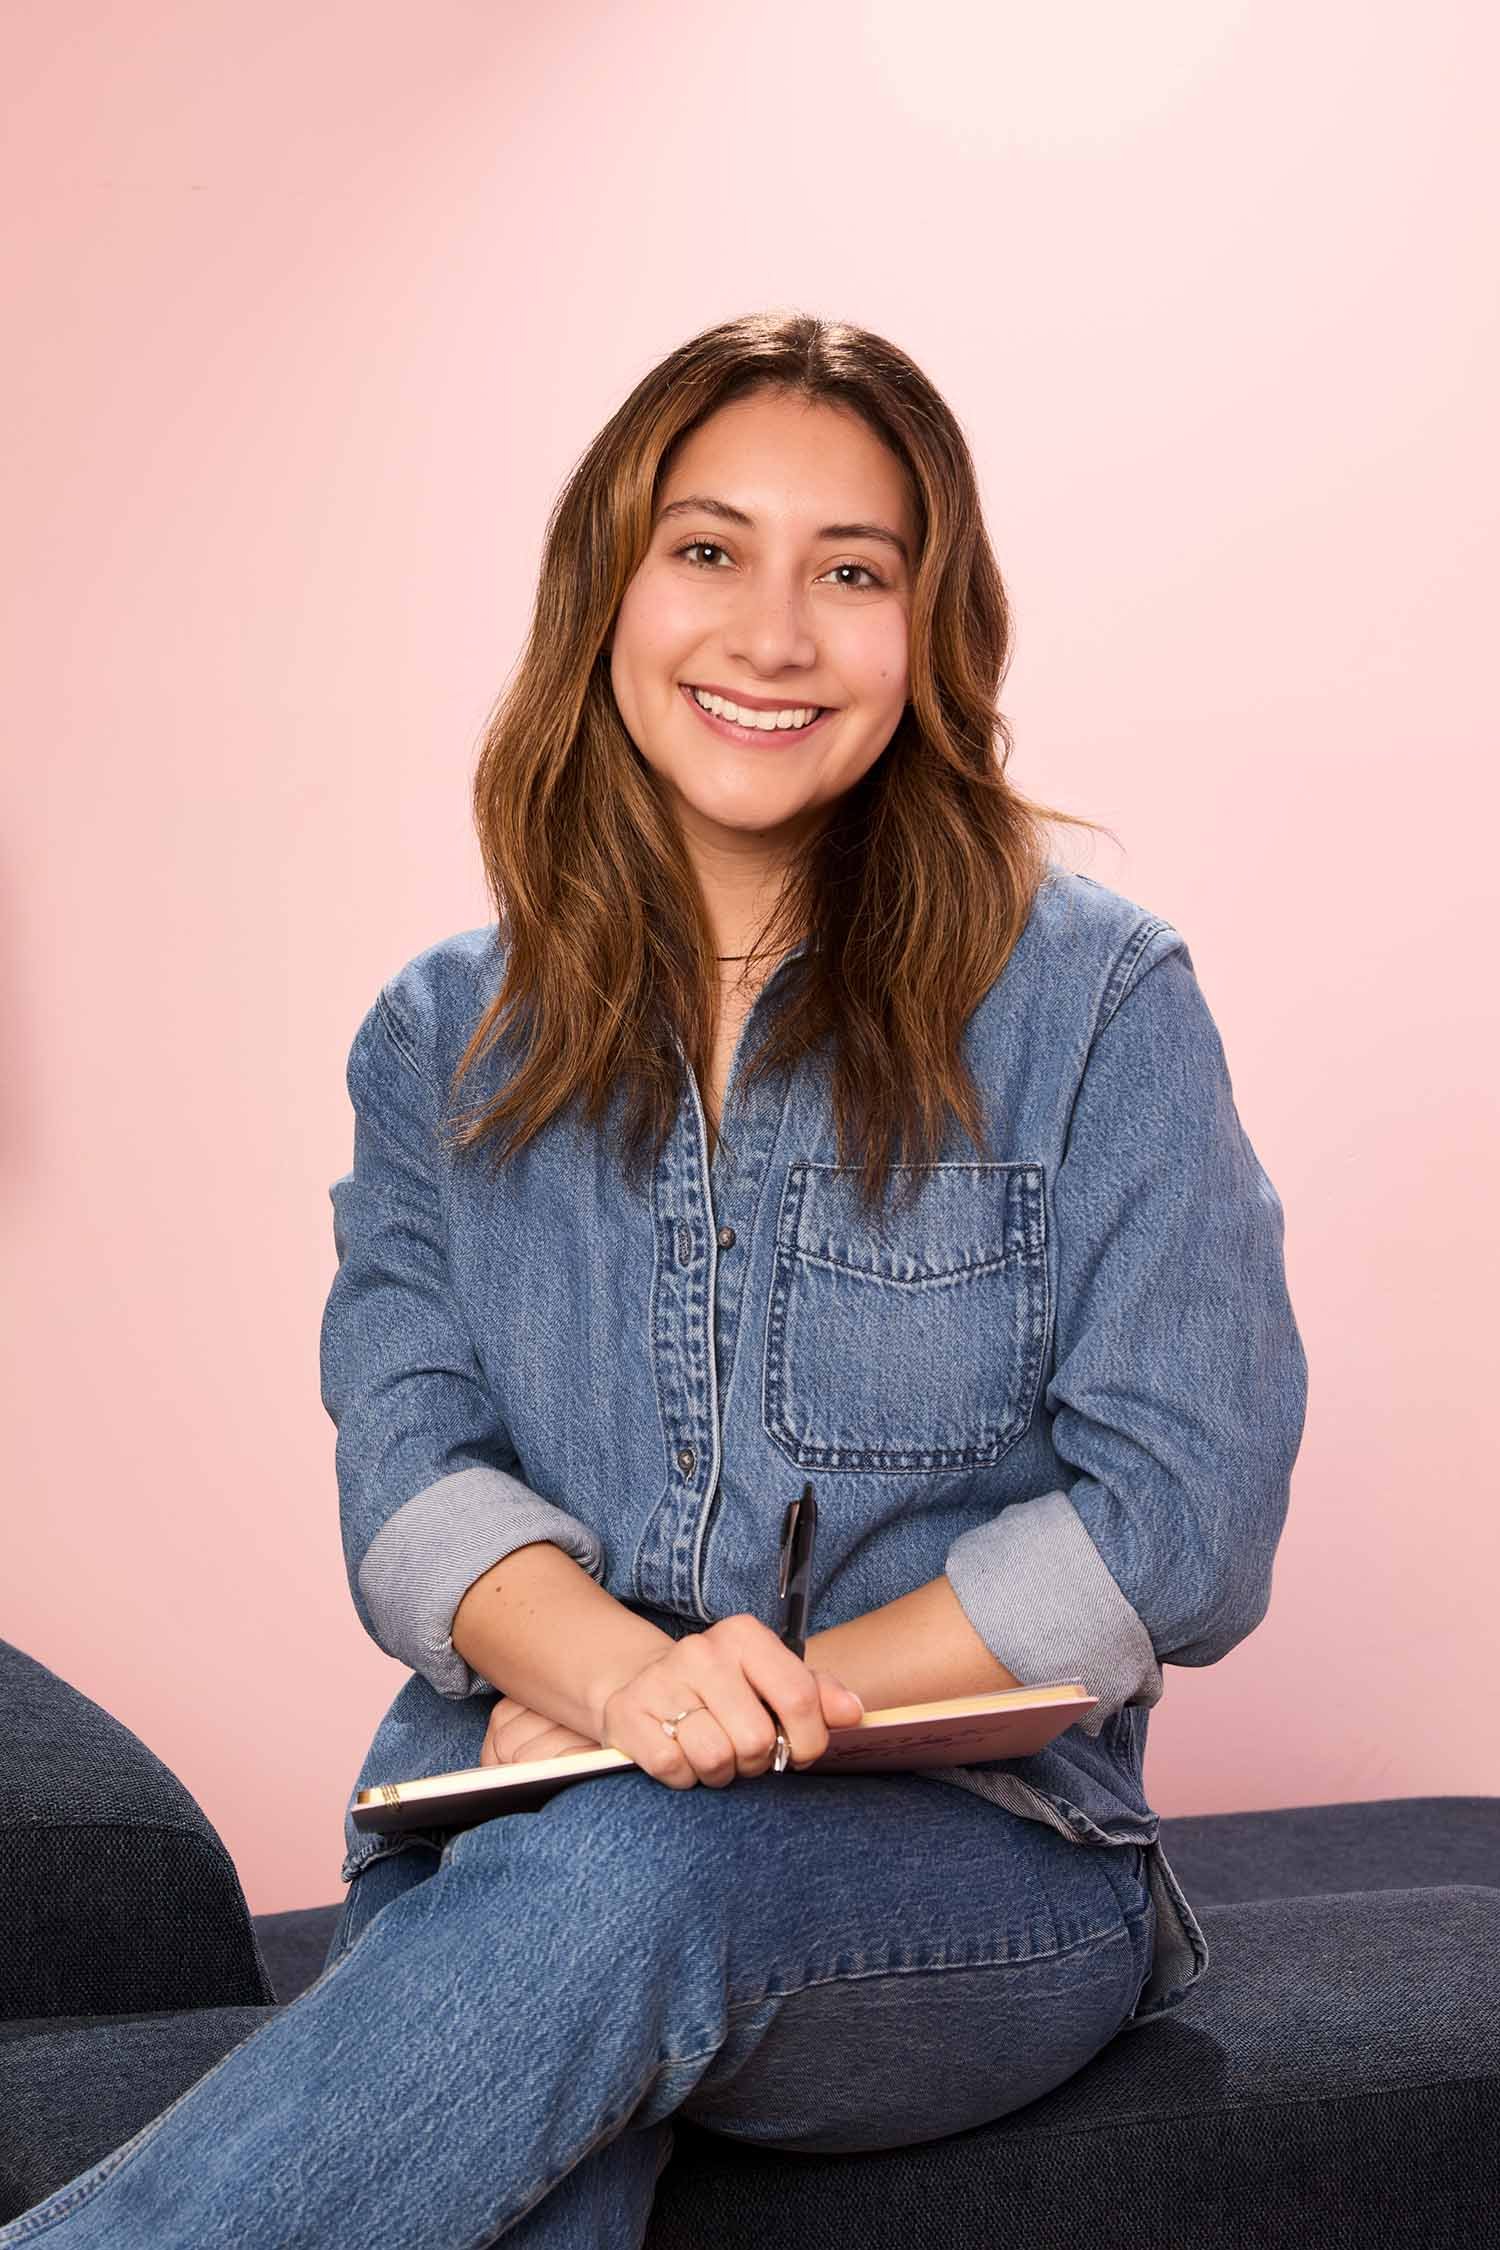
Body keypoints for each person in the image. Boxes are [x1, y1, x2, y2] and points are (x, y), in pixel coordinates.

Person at [0, 311, 1307, 2247]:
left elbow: (1181, 1525)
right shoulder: (436, 1045)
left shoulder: (1099, 1004)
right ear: (606, 596)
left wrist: (723, 1725)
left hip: (982, 1868)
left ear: (926, 636)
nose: (773, 634)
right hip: (513, 1816)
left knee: (629, 1880)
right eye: (708, 550)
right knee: (550, 2039)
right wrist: (624, 1692)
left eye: (851, 573)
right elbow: (413, 1476)